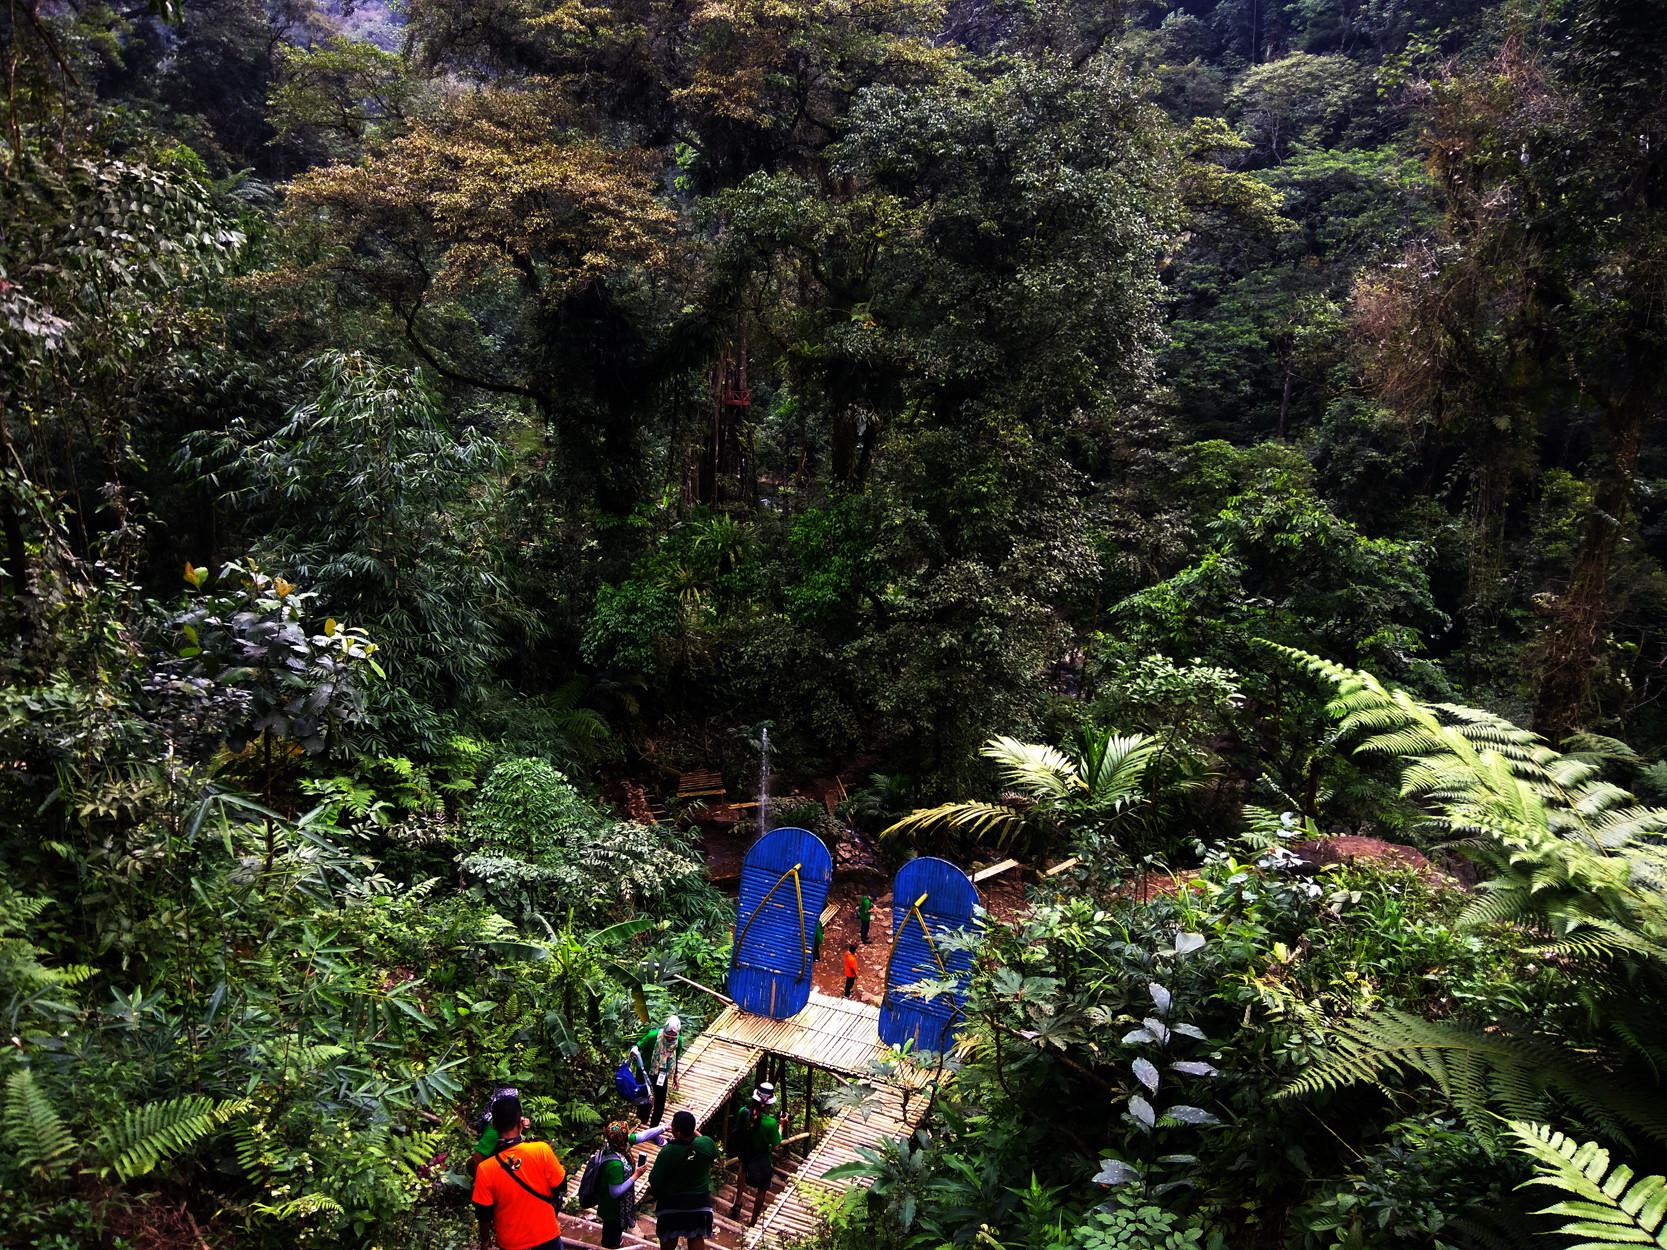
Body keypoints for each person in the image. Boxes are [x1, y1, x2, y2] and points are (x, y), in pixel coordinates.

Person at [472, 1093, 568, 1250]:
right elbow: (561, 1185)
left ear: (494, 1126)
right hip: (547, 1234)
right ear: (520, 1123)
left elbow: (484, 1214)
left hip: (512, 1243)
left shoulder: (486, 1169)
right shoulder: (541, 1150)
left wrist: (485, 1241)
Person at [647, 1109, 717, 1250]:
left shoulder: (668, 1151)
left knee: (670, 1236)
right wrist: (693, 1132)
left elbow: (654, 1180)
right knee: (696, 1236)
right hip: (699, 1203)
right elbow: (712, 1150)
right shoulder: (705, 1145)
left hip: (672, 1204)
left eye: (673, 1125)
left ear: (677, 1133)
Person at [590, 1120, 667, 1249]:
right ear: (623, 1138)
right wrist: (635, 1176)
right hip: (613, 1209)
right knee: (611, 1235)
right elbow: (615, 1192)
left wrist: (664, 1127)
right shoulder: (615, 1164)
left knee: (614, 1232)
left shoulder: (615, 1144)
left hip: (616, 1204)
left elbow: (642, 1136)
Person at [727, 1083, 782, 1227]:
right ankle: (753, 1221)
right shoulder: (770, 1123)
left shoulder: (743, 1112)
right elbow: (776, 1146)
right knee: (762, 1188)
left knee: (742, 1169)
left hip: (746, 1152)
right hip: (761, 1158)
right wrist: (781, 1126)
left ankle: (738, 1201)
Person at [631, 1014, 683, 1126]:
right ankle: (643, 1117)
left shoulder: (678, 1041)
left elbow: (676, 1058)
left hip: (662, 1073)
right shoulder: (653, 1036)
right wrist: (634, 1051)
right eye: (668, 1035)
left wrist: (675, 1076)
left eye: (673, 1037)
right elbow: (639, 1046)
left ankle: (653, 1128)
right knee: (643, 1098)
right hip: (645, 1071)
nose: (670, 1038)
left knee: (660, 1101)